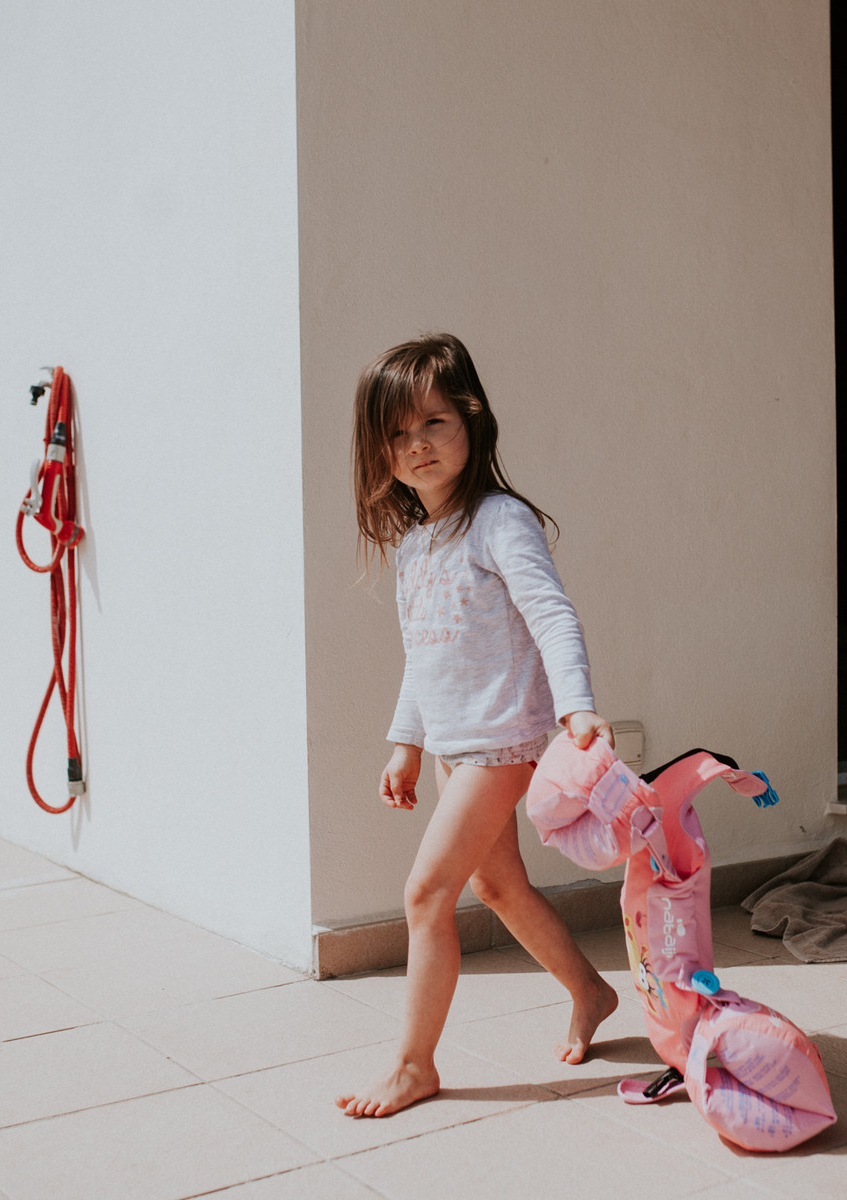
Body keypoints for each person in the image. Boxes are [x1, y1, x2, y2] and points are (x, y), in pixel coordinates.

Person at [336, 333, 620, 1118]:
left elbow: (552, 616)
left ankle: (413, 1064)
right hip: (453, 751)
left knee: (427, 892)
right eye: (397, 433)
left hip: (503, 744)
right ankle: (591, 992)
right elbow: (423, 657)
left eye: (433, 422)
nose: (417, 444)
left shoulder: (499, 521)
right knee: (498, 884)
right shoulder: (414, 546)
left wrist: (576, 706)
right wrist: (406, 743)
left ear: (472, 420)